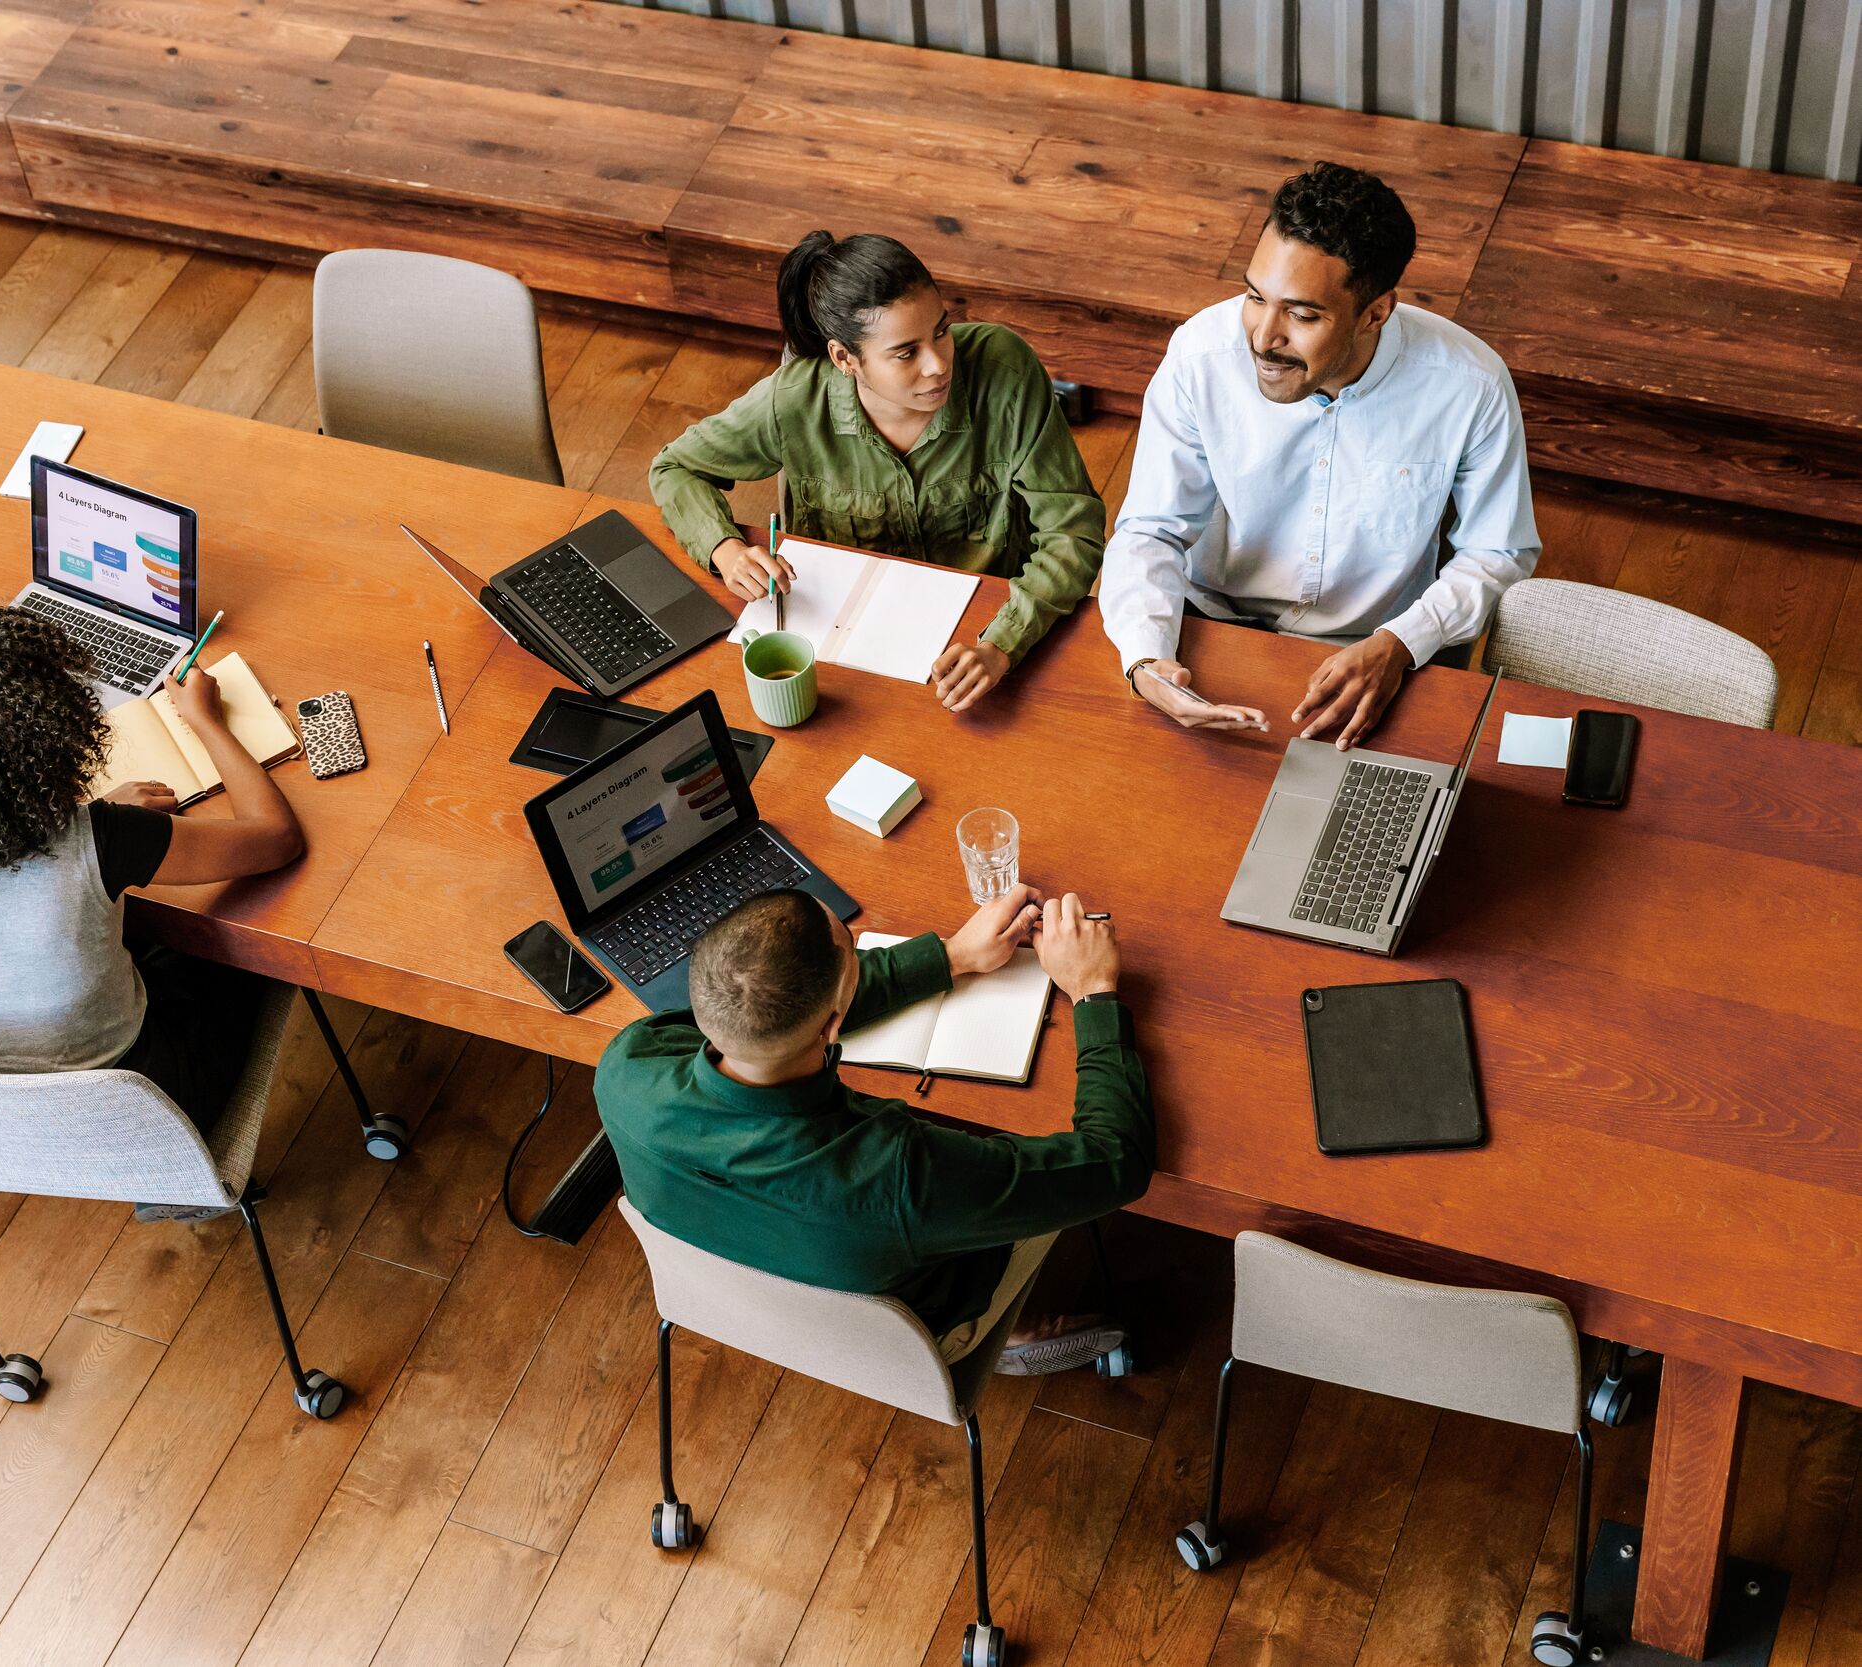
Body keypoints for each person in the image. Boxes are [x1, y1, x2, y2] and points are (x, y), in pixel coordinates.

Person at [595, 883, 1154, 1374]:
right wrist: (1093, 990)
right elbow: (1117, 1161)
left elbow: (765, 1029)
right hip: (905, 1330)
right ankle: (1005, 1329)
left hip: (728, 1298)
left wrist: (951, 956)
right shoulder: (897, 1171)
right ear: (835, 1023)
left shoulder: (628, 1064)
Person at [0, 607, 304, 1154]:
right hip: (153, 1111)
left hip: (5, 1124)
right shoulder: (101, 840)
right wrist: (204, 720)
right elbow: (277, 838)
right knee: (242, 937)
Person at [1099, 161, 1540, 747]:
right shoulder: (1200, 358)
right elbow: (1150, 529)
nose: (1262, 338)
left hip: (1374, 651)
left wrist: (1401, 644)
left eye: (1303, 315)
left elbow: (1498, 551)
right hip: (1202, 630)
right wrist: (1146, 659)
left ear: (1377, 312)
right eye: (1256, 297)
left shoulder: (1471, 385)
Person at [649, 231, 1106, 715]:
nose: (937, 364)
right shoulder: (793, 401)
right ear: (844, 358)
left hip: (982, 637)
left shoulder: (1004, 371)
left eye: (942, 331)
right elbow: (675, 467)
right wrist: (726, 550)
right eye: (906, 353)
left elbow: (1072, 529)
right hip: (842, 660)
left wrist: (1003, 644)